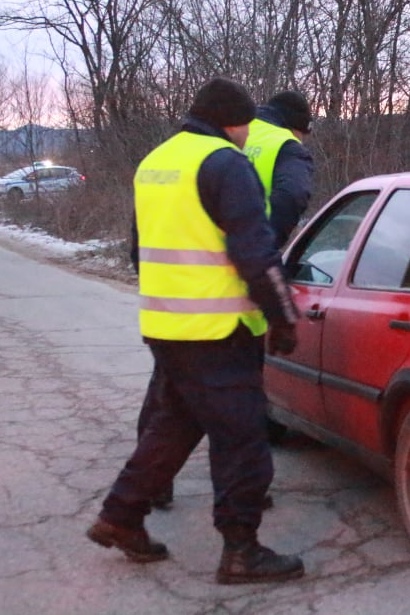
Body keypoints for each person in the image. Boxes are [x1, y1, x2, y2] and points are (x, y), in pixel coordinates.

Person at [87, 77, 306, 585]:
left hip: (166, 325)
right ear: (234, 121)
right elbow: (255, 251)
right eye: (247, 124)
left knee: (173, 427)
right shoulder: (227, 163)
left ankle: (121, 518)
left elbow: (137, 249)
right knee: (243, 441)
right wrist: (282, 314)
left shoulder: (156, 161)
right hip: (219, 330)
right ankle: (241, 553)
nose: (249, 133)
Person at [134, 88, 315, 509]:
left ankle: (136, 502)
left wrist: (164, 284)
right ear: (298, 127)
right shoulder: (281, 149)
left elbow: (138, 241)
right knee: (239, 423)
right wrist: (270, 260)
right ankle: (240, 536)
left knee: (169, 409)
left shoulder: (158, 158)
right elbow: (286, 203)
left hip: (166, 308)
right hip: (228, 303)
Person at [244, 90, 315, 249]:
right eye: (302, 135)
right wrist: (264, 245)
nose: (301, 141)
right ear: (295, 126)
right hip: (245, 256)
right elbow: (292, 195)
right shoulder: (288, 146)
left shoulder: (235, 131)